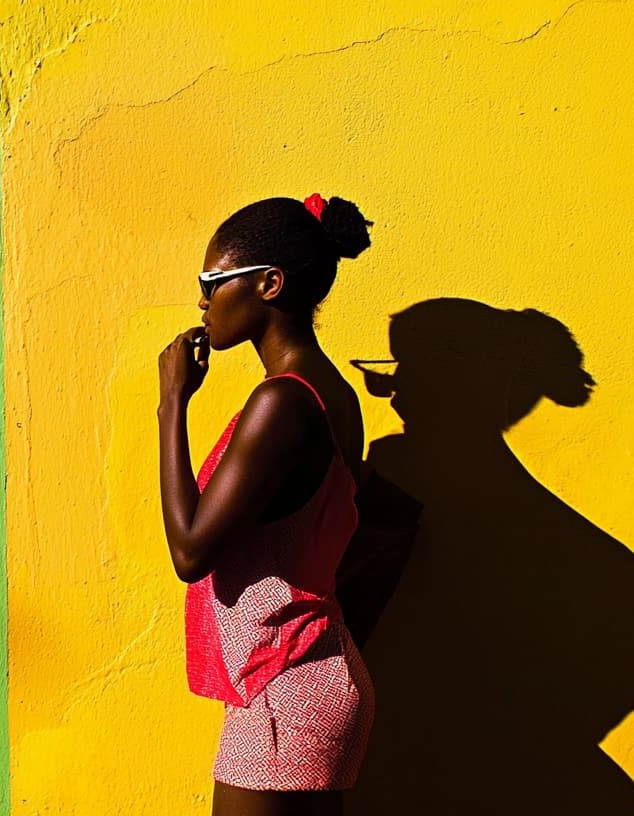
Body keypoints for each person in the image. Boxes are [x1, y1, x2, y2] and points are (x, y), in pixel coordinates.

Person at [157, 194, 375, 816]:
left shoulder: (280, 403)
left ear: (268, 284)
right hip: (304, 671)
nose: (202, 301)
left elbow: (190, 551)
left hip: (284, 688)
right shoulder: (332, 393)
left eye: (211, 282)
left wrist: (172, 403)